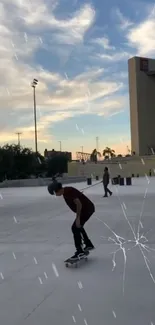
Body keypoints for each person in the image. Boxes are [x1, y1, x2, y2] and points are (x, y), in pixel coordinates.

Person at [48, 182, 95, 260]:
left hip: (86, 210)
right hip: (87, 209)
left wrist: (78, 218)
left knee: (75, 228)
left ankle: (80, 251)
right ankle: (88, 244)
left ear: (57, 190)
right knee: (78, 226)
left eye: (55, 192)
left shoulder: (68, 191)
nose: (56, 195)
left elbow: (79, 204)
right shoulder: (67, 191)